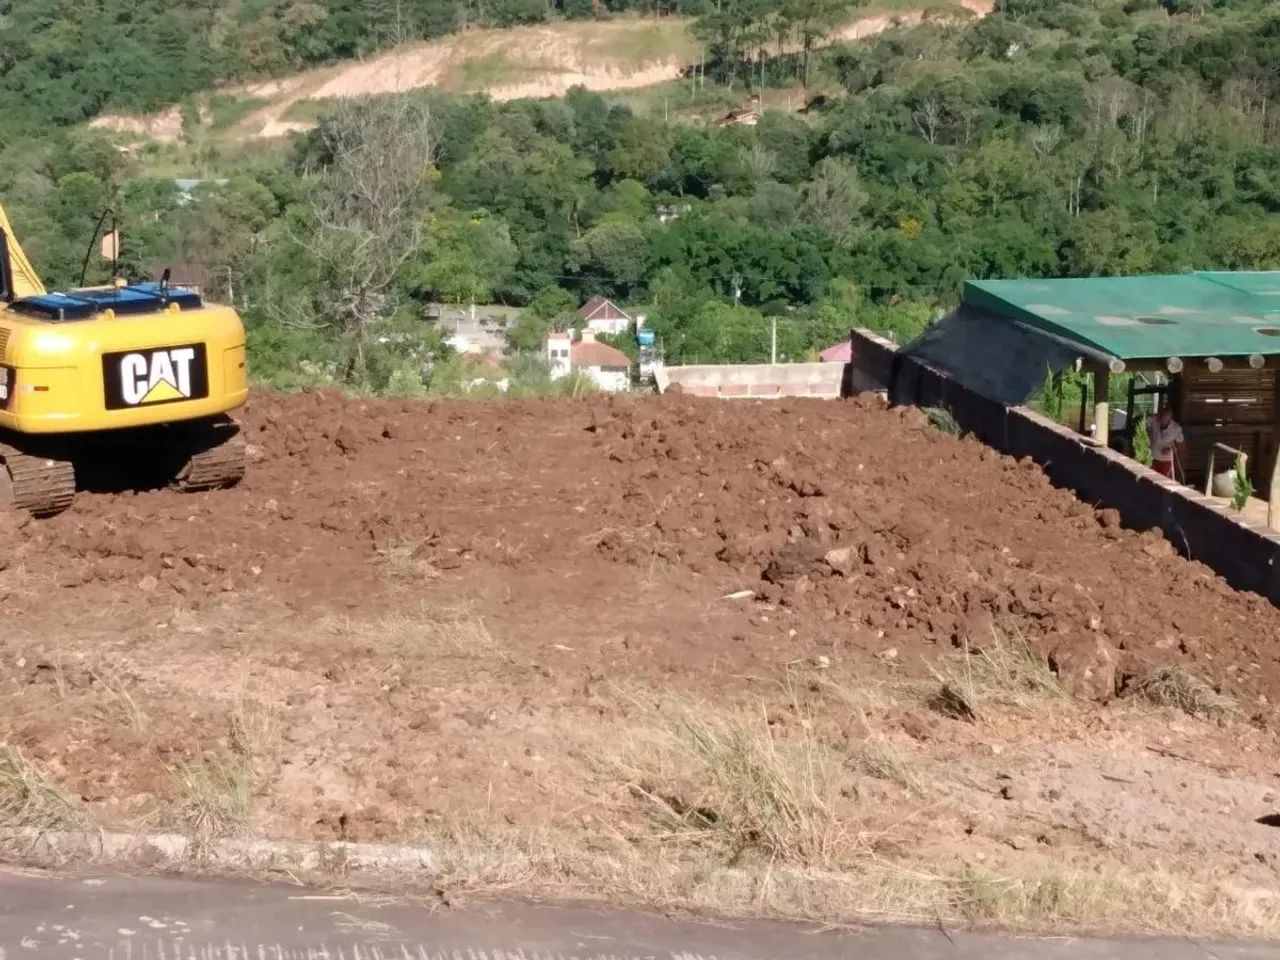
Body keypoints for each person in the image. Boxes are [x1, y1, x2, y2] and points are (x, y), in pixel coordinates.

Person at [1147, 406, 1186, 480]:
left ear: (1169, 419)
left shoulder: (1176, 429)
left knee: (1163, 481)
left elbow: (1182, 445)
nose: (1161, 420)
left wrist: (1170, 449)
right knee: (1152, 480)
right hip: (1153, 458)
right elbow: (1145, 421)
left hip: (1165, 461)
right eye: (1160, 416)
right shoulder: (1154, 420)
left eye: (1164, 418)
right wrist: (1149, 433)